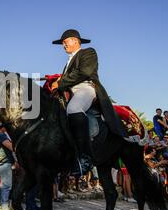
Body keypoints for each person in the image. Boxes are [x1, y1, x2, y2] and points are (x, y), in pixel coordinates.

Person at [52, 29, 127, 175]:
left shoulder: (88, 52)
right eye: (63, 43)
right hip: (71, 91)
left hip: (86, 88)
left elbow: (84, 72)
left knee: (74, 108)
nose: (63, 45)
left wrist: (60, 82)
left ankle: (85, 158)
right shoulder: (68, 61)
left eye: (65, 41)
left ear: (74, 40)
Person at [0, 124, 17, 210]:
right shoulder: (1, 135)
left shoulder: (1, 134)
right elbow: (11, 147)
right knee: (6, 185)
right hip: (4, 163)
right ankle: (4, 207)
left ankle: (0, 205)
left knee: (3, 185)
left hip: (4, 162)